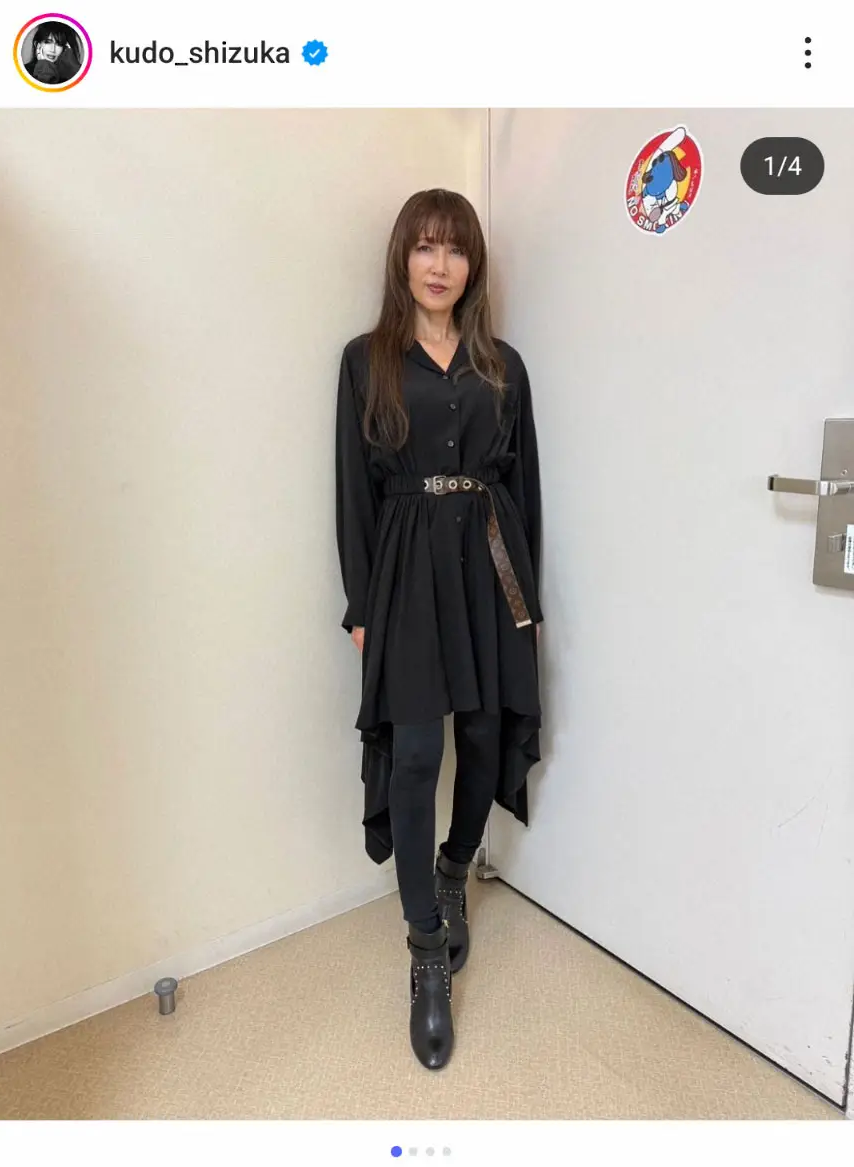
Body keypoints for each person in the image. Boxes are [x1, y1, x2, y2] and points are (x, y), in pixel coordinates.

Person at [335, 189, 544, 1071]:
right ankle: (425, 949)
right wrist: (361, 607)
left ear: (472, 267)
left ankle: (457, 870)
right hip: (406, 576)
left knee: (486, 738)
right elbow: (353, 490)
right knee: (418, 751)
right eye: (424, 247)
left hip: (492, 571)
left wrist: (530, 606)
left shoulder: (504, 367)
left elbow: (524, 490)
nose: (439, 265)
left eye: (455, 250)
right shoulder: (366, 361)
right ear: (403, 259)